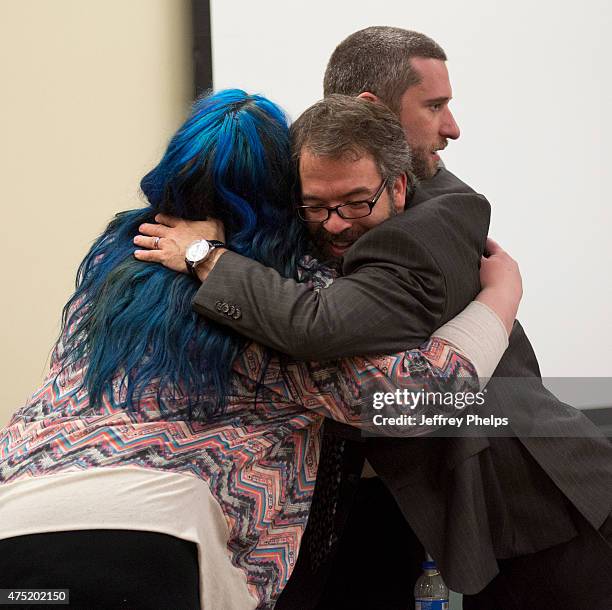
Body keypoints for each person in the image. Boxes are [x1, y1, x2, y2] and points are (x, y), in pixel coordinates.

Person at [136, 37, 612, 609]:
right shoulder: (323, 200)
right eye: (434, 106)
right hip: (438, 514)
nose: (453, 127)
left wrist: (203, 256)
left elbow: (321, 329)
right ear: (375, 110)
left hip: (543, 501)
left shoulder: (429, 221)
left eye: (355, 203)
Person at [0, 89, 517, 610]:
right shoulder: (272, 305)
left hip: (14, 529)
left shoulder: (113, 279)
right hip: (154, 548)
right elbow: (420, 397)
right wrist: (500, 297)